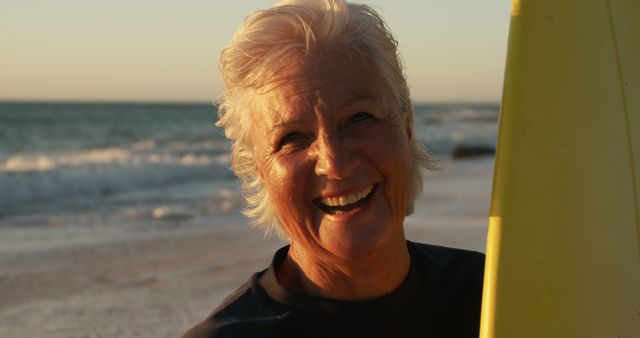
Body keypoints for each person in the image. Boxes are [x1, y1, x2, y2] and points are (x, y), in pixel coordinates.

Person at [183, 0, 484, 337]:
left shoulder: (497, 298)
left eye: (359, 118)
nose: (335, 164)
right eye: (293, 137)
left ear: (408, 124)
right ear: (258, 169)